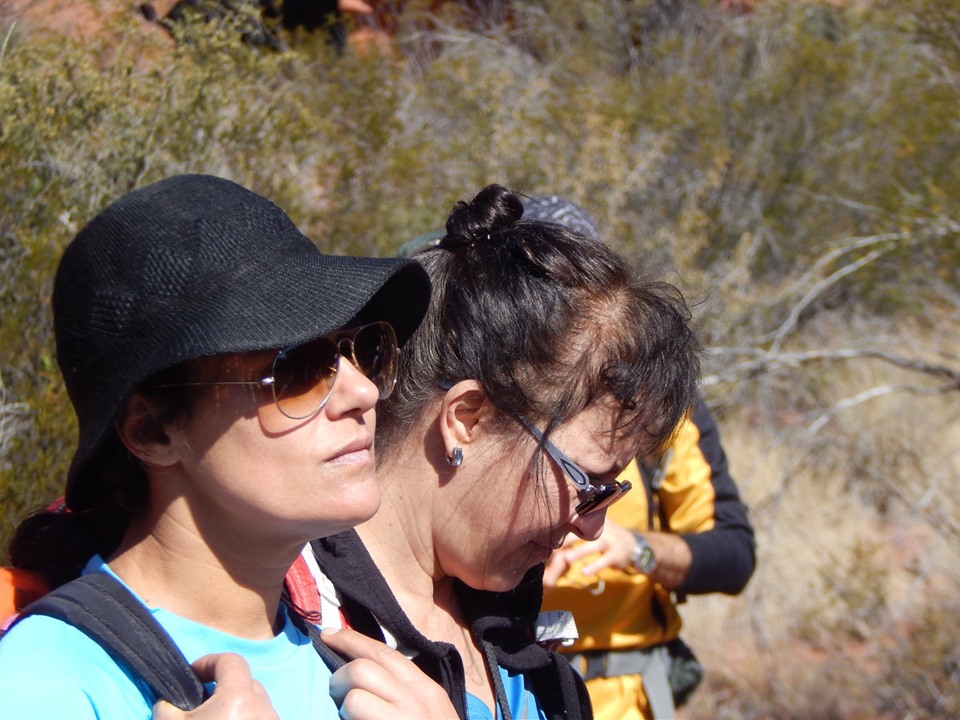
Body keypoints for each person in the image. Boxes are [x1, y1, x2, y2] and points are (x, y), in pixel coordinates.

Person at [0, 173, 458, 719]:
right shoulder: (48, 681)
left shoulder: (363, 680)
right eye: (298, 368)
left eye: (366, 350)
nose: (362, 392)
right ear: (153, 432)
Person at [303, 183, 703, 719]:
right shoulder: (288, 629)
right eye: (586, 483)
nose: (592, 527)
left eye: (612, 490)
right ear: (467, 419)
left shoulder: (526, 653)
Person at [523, 195, 756, 720]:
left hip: (627, 695)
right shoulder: (479, 406)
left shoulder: (660, 407)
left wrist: (636, 549)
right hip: (506, 686)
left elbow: (733, 555)